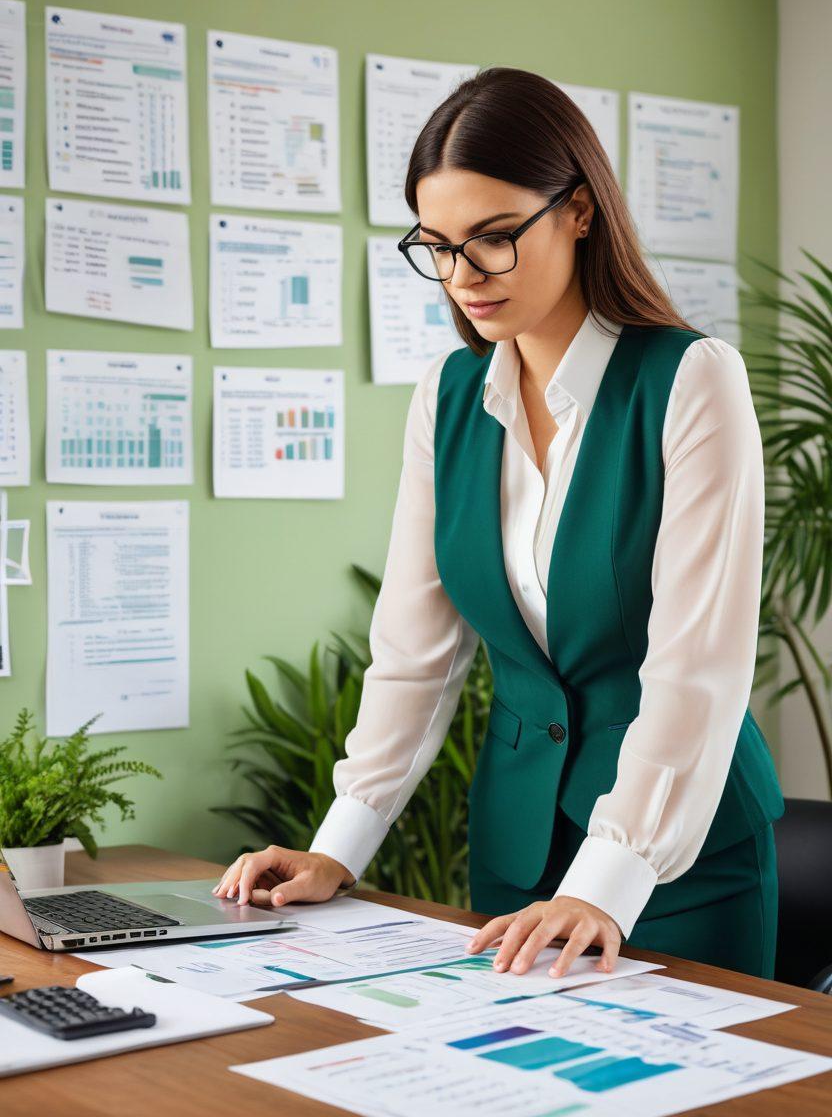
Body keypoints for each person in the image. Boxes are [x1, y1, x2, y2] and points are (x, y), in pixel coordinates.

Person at [214, 67, 785, 981]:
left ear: (581, 211)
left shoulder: (689, 381)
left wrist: (607, 877)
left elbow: (696, 668)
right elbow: (415, 651)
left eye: (493, 240)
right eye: (436, 246)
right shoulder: (448, 398)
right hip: (516, 859)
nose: (461, 277)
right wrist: (340, 846)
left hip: (677, 863)